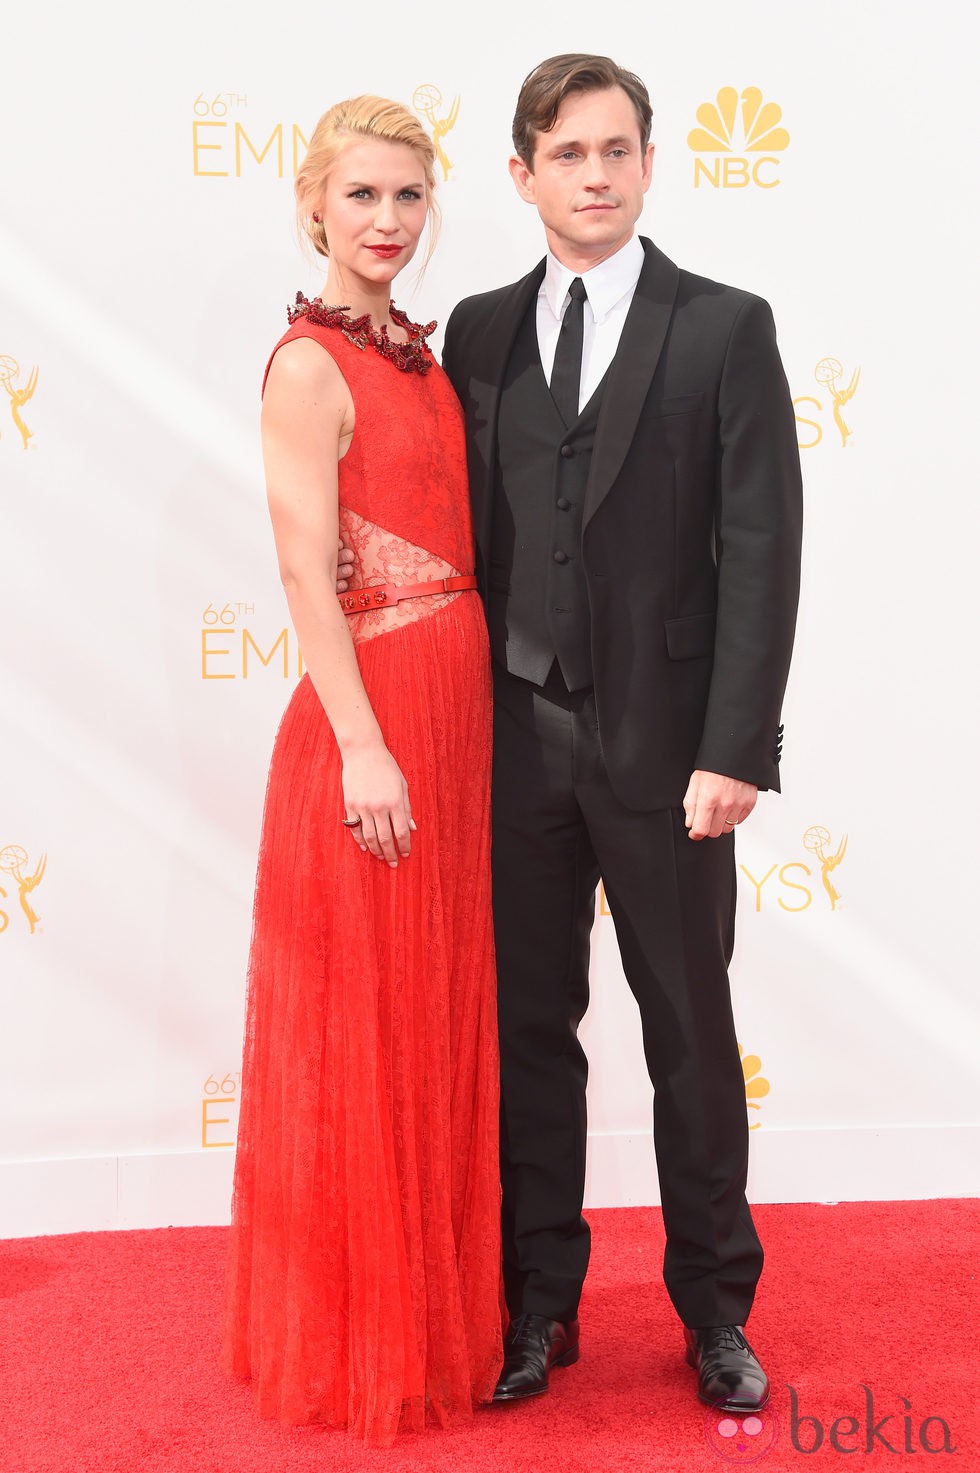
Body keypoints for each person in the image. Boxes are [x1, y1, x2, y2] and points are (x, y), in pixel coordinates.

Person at [440, 54, 803, 1413]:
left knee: (689, 1030)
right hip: (514, 739)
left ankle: (716, 1308)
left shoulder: (722, 327)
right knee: (529, 1030)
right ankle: (539, 1304)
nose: (595, 176)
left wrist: (739, 746)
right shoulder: (474, 333)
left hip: (668, 753)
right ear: (522, 173)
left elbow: (761, 548)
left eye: (617, 150)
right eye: (568, 153)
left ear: (649, 163)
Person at [223, 94, 502, 1446]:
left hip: (455, 712)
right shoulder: (304, 367)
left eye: (408, 198)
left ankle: (443, 1312)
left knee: (434, 1014)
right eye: (362, 198)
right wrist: (363, 743)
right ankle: (362, 1337)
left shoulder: (413, 352)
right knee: (371, 1029)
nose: (387, 222)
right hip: (375, 722)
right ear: (312, 205)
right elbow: (302, 571)